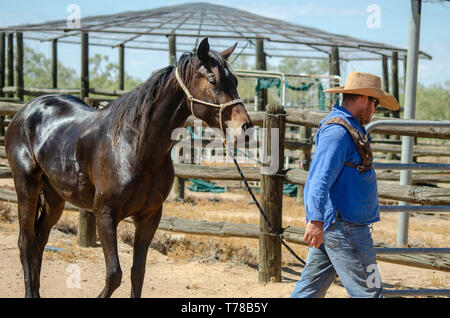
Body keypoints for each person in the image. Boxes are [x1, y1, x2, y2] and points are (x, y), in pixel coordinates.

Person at [291, 72, 399, 298]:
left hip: (339, 225)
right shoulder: (339, 131)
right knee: (369, 291)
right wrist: (315, 219)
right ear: (363, 99)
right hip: (346, 227)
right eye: (374, 103)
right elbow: (319, 177)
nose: (375, 110)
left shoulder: (346, 127)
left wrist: (319, 220)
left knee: (309, 291)